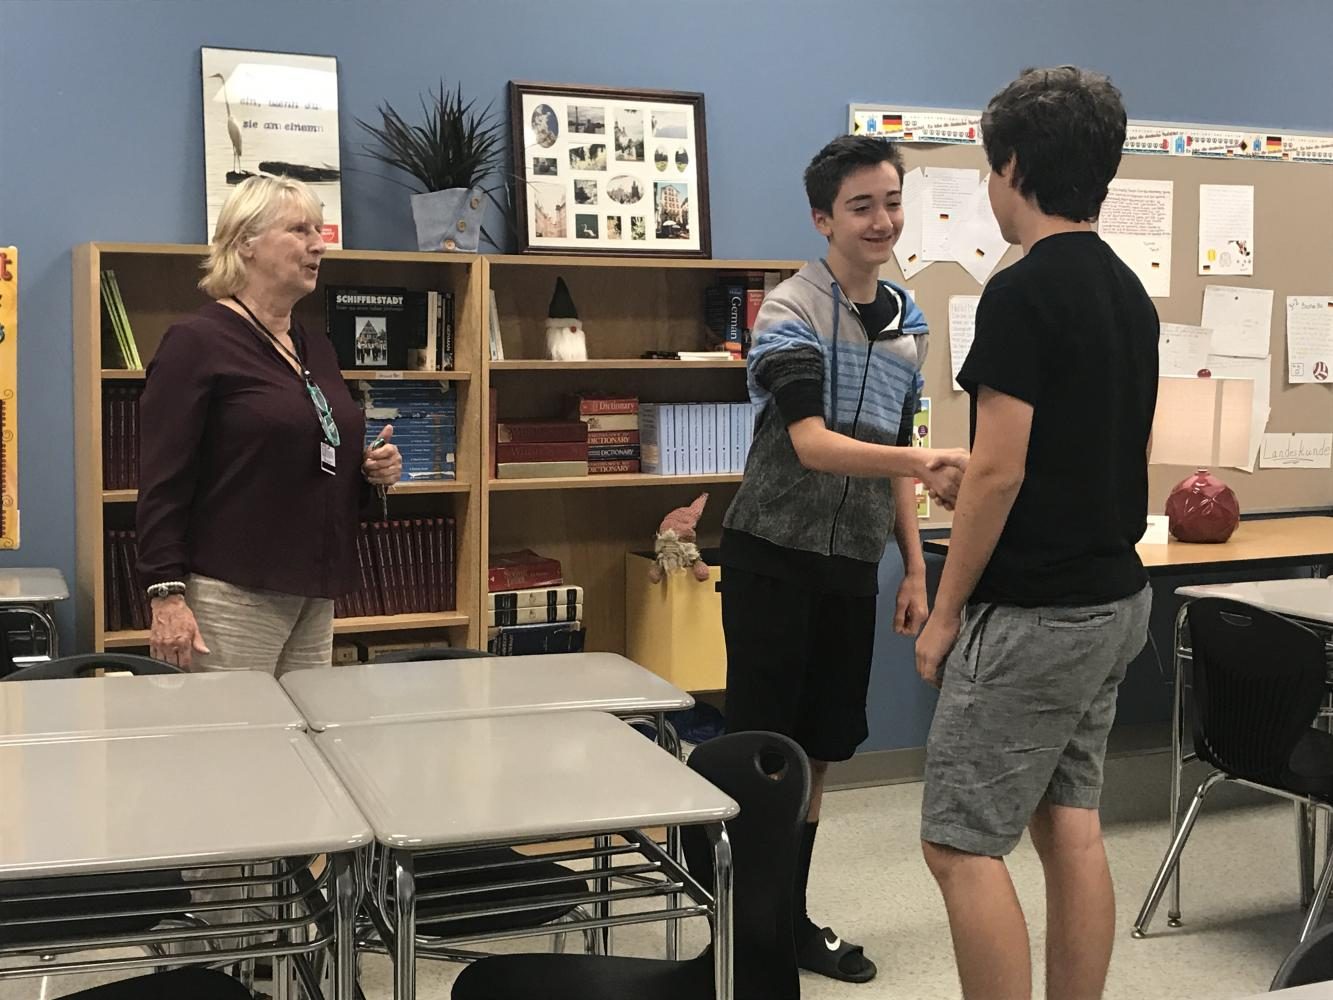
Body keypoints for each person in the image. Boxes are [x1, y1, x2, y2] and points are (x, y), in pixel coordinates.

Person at [915, 67, 1158, 1000]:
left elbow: (1002, 468)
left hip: (1036, 616)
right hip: (1111, 601)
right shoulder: (1124, 292)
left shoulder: (1017, 295)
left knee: (956, 844)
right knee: (1068, 822)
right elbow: (1056, 451)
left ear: (1010, 166)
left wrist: (943, 615)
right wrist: (972, 477)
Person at [720, 134, 968, 984]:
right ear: (823, 217)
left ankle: (786, 923)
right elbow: (815, 444)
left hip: (850, 563)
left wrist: (916, 567)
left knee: (821, 750)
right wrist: (922, 465)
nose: (881, 219)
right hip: (770, 554)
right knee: (765, 752)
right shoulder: (788, 311)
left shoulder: (909, 320)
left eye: (892, 201)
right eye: (860, 205)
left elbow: (900, 447)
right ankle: (742, 935)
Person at [137, 175, 402, 675]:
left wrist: (371, 470)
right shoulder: (195, 343)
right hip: (232, 593)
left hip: (315, 591)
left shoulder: (315, 346)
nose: (317, 245)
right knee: (234, 746)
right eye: (299, 230)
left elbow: (314, 452)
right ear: (245, 243)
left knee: (304, 742)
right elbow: (162, 481)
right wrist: (166, 596)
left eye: (319, 231)